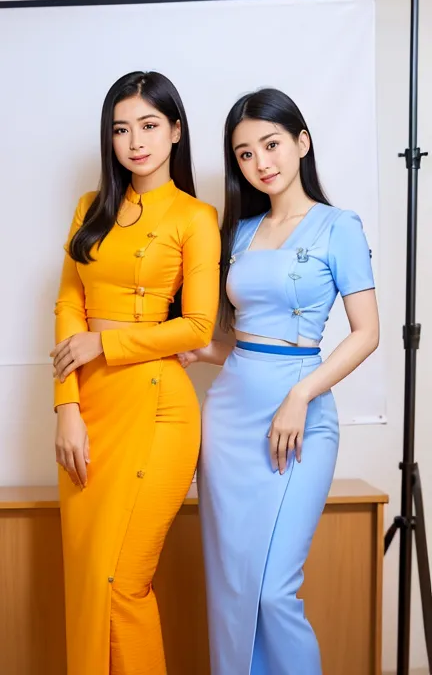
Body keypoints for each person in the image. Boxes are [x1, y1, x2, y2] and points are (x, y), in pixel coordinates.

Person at [178, 88, 379, 675]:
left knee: (273, 592)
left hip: (300, 416)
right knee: (234, 592)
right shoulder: (237, 233)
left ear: (301, 143)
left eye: (270, 144)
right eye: (243, 153)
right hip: (231, 417)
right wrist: (192, 349)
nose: (260, 162)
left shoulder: (339, 226)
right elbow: (242, 340)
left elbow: (365, 333)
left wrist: (300, 394)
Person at [50, 70, 221, 675]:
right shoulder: (87, 210)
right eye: (121, 129)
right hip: (89, 413)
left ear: (176, 131)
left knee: (125, 581)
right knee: (92, 579)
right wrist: (66, 409)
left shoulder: (196, 217)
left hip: (158, 412)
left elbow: (198, 327)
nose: (135, 141)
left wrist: (106, 344)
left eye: (149, 125)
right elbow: (69, 306)